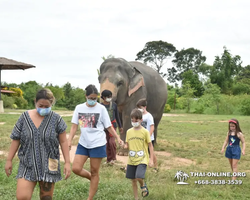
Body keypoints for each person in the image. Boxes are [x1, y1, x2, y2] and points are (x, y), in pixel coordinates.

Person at [4, 88, 71, 200]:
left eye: (47, 106)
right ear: (35, 101)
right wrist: (9, 160)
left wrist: (67, 162)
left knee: (46, 198)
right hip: (27, 162)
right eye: (40, 105)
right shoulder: (24, 118)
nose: (43, 109)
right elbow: (16, 139)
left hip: (50, 163)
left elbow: (63, 141)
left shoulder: (57, 119)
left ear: (51, 104)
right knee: (22, 197)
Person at [68, 84, 123, 200]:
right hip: (83, 143)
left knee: (94, 171)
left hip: (98, 143)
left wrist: (118, 137)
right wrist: (69, 141)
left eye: (95, 98)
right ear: (86, 96)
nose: (93, 100)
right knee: (76, 168)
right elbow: (74, 127)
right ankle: (93, 179)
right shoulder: (79, 108)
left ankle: (90, 197)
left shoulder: (101, 109)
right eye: (91, 98)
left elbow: (109, 126)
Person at [123, 108, 154, 200]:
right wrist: (123, 145)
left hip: (142, 158)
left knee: (139, 176)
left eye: (136, 120)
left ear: (141, 120)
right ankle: (136, 198)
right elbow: (127, 145)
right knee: (133, 180)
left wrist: (151, 159)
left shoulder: (145, 132)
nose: (134, 122)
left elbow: (150, 146)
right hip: (131, 160)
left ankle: (143, 185)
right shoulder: (129, 132)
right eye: (132, 120)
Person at [101, 89, 123, 165]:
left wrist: (120, 126)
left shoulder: (114, 105)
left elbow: (117, 116)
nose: (109, 98)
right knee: (107, 143)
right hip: (103, 127)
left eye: (110, 96)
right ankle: (108, 159)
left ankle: (113, 158)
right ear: (103, 97)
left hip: (112, 125)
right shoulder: (100, 106)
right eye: (108, 97)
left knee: (112, 142)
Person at [136, 98, 158, 172]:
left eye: (140, 107)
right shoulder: (139, 115)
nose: (139, 109)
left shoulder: (149, 116)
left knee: (151, 152)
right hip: (140, 137)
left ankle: (156, 166)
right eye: (138, 108)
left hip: (149, 137)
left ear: (144, 107)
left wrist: (149, 135)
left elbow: (152, 126)